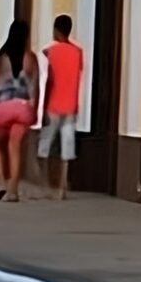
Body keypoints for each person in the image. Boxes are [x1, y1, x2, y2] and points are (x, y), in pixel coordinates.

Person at [0, 19, 39, 203]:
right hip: (23, 108)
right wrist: (35, 109)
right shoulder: (30, 58)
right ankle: (13, 191)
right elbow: (35, 87)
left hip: (3, 108)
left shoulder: (2, 56)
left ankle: (1, 183)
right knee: (15, 148)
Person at [38, 14, 84, 201]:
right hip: (71, 105)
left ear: (56, 30)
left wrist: (43, 106)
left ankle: (45, 185)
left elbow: (49, 80)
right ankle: (62, 187)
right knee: (67, 146)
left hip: (54, 105)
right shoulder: (78, 53)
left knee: (45, 146)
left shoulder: (49, 52)